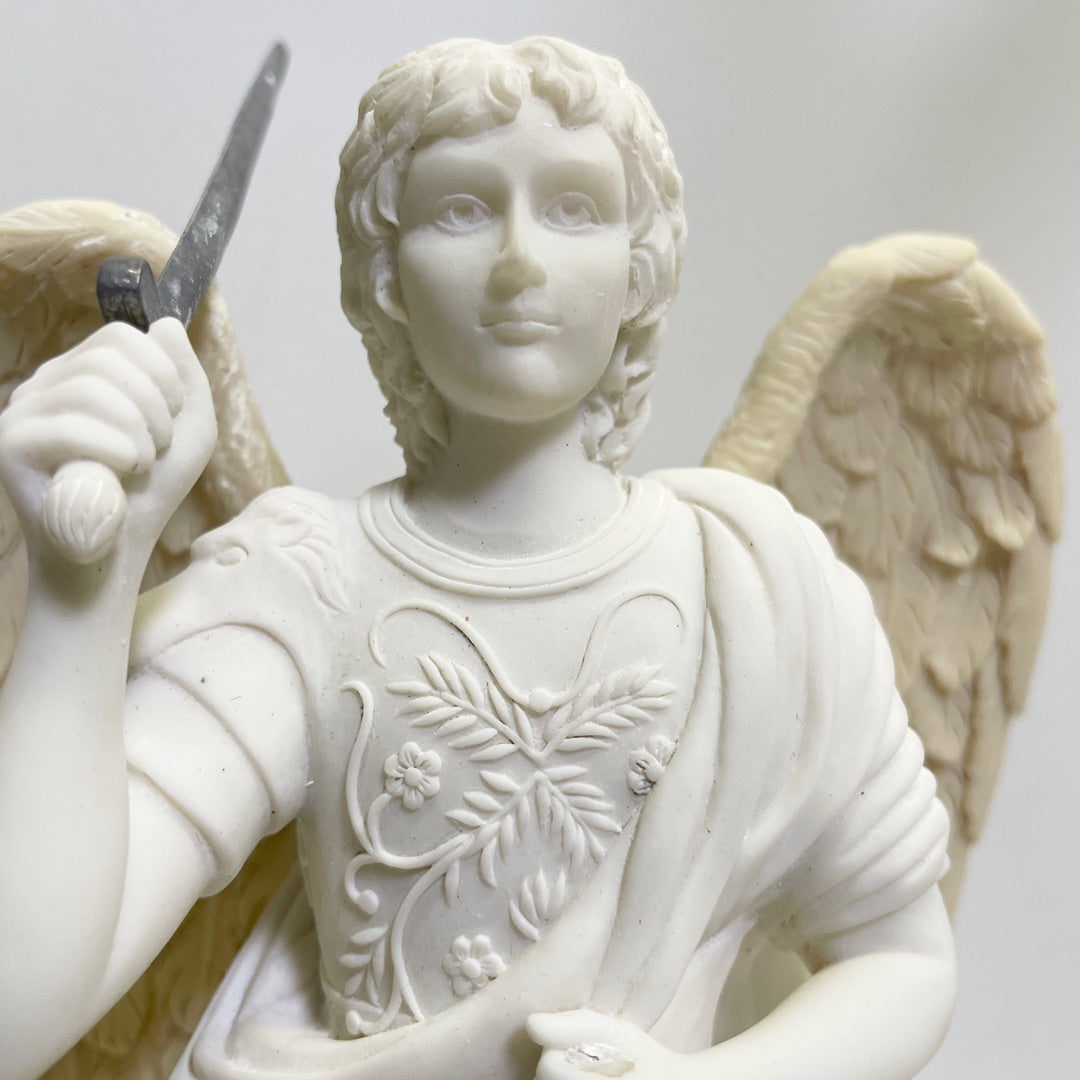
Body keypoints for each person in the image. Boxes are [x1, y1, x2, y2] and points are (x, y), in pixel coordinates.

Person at [0, 37, 954, 1080]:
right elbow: (19, 1009)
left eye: (575, 208)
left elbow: (902, 963)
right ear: (385, 275)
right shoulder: (307, 584)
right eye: (460, 209)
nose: (519, 261)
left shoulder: (756, 582)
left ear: (640, 267)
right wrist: (80, 592)